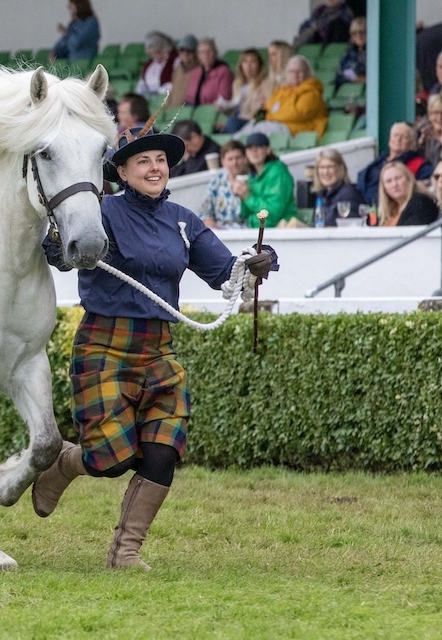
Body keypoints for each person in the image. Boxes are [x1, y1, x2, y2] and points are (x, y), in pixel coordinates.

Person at [34, 125, 277, 570]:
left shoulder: (184, 220)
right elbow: (58, 254)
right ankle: (67, 463)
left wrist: (258, 263)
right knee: (111, 460)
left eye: (160, 160)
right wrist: (52, 236)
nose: (155, 167)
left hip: (159, 350)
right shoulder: (100, 211)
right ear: (122, 171)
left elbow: (227, 273)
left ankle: (125, 553)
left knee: (164, 450)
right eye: (142, 160)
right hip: (104, 345)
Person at [238, 55, 328, 138]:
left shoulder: (312, 92)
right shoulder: (281, 91)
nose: (295, 75)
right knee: (250, 127)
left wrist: (270, 116)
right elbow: (265, 108)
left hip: (298, 130)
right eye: (292, 71)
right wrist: (258, 119)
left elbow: (295, 115)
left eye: (299, 71)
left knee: (260, 130)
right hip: (275, 125)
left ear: (307, 72)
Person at [357, 122, 434, 204]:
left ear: (412, 144)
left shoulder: (420, 165)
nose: (398, 139)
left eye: (404, 137)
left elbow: (426, 186)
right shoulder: (379, 160)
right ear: (389, 140)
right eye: (395, 135)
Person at [231, 132, 296, 227]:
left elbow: (274, 212)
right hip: (257, 230)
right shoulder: (251, 175)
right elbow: (245, 213)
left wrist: (247, 196)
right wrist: (240, 195)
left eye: (259, 147)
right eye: (250, 148)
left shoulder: (278, 171)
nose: (254, 151)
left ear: (268, 150)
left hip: (280, 230)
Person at [199, 139, 248, 229]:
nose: (235, 163)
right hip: (221, 231)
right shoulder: (216, 182)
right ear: (223, 162)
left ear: (245, 158)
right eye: (230, 159)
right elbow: (205, 212)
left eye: (238, 158)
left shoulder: (254, 180)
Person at [217, 48, 269, 134]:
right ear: (241, 65)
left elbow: (266, 106)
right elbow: (235, 108)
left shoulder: (265, 83)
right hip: (237, 121)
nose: (248, 66)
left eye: (253, 62)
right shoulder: (237, 84)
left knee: (232, 124)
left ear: (259, 65)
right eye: (245, 62)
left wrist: (256, 122)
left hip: (252, 121)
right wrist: (223, 108)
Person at [312, 148, 364, 227]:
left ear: (340, 169)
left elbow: (351, 227)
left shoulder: (348, 194)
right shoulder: (321, 195)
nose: (326, 172)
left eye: (330, 167)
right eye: (322, 167)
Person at [376, 161, 440, 226]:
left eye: (398, 178)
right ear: (384, 188)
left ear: (409, 179)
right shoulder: (389, 210)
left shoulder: (420, 203)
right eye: (389, 181)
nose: (394, 184)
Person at [185, 38, 233, 107]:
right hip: (192, 108)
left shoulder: (224, 71)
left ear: (215, 53)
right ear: (198, 56)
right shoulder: (196, 71)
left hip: (211, 110)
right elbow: (189, 96)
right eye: (202, 52)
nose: (205, 55)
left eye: (209, 51)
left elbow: (224, 97)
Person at [135, 31, 176, 97]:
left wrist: (158, 92)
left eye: (150, 47)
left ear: (160, 48)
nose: (146, 51)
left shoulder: (174, 62)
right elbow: (141, 84)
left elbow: (174, 84)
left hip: (165, 98)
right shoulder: (148, 64)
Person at [420, 93, 442, 166]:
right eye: (435, 113)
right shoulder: (423, 132)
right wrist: (421, 144)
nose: (439, 118)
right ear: (429, 115)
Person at [166, 34, 198, 108]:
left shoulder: (200, 70)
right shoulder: (178, 69)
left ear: (196, 52)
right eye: (182, 50)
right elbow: (172, 91)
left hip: (186, 110)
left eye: (189, 51)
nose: (185, 54)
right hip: (172, 110)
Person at [335, 16, 367, 89]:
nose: (359, 36)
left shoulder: (374, 52)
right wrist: (355, 78)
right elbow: (340, 73)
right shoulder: (349, 52)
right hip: (351, 87)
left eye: (362, 32)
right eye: (355, 33)